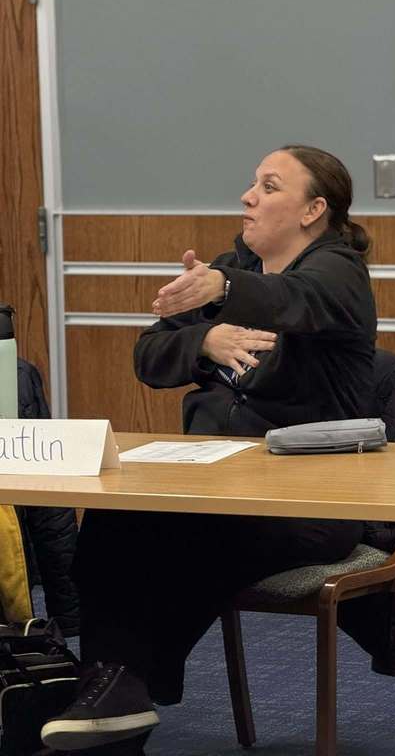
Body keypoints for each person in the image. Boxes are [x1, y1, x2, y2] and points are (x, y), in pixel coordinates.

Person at [42, 146, 378, 754]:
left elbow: (293, 300)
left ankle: (118, 685)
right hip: (214, 481)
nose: (248, 196)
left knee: (169, 539)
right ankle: (112, 691)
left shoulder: (338, 271)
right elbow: (150, 357)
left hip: (308, 502)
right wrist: (206, 337)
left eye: (269, 186)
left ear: (314, 209)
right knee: (114, 518)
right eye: (251, 183)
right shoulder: (231, 266)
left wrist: (223, 289)